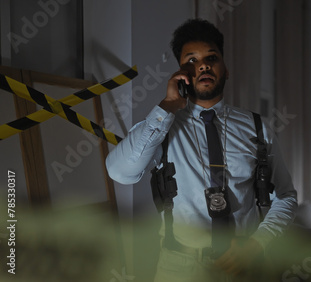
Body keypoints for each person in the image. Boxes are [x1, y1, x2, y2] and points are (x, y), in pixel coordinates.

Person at [106, 18, 297, 281]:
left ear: (226, 69)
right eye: (192, 60)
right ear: (180, 72)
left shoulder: (257, 127)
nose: (203, 65)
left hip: (246, 264)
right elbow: (119, 172)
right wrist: (169, 105)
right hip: (180, 267)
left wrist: (256, 245)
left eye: (212, 57)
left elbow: (285, 195)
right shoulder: (161, 125)